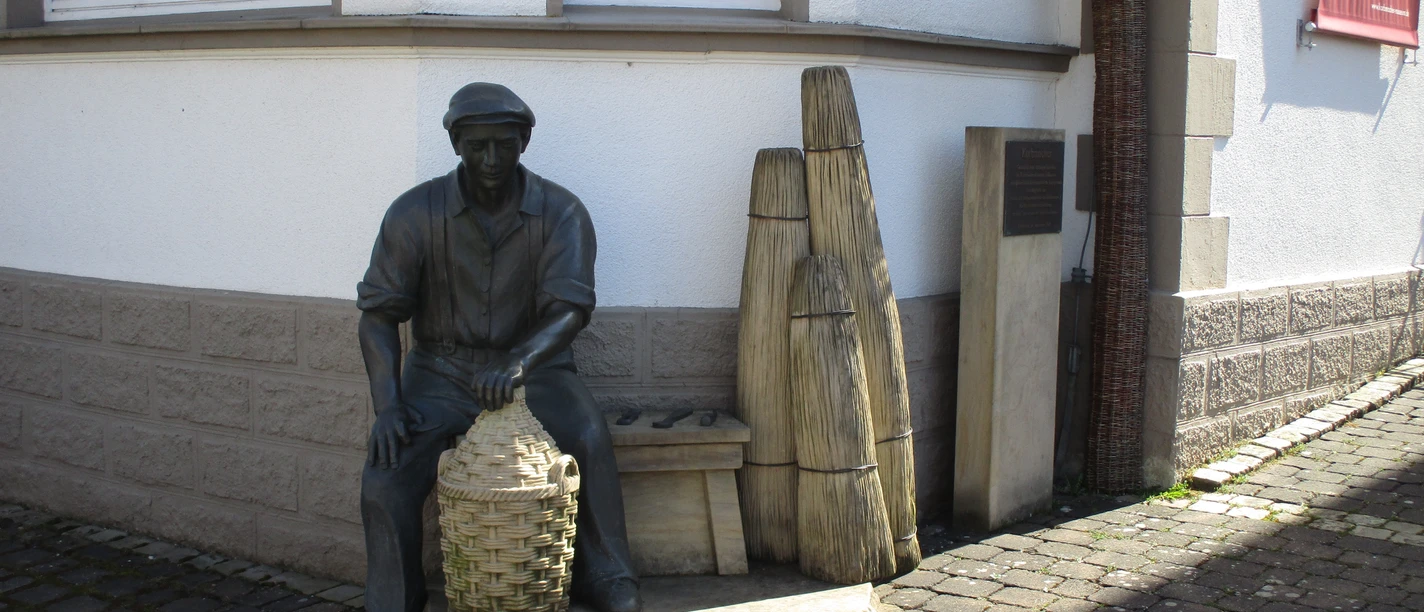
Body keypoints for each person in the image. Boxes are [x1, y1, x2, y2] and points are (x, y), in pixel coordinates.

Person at [355, 82, 641, 612]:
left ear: (523, 143)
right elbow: (377, 317)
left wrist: (518, 360)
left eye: (504, 146)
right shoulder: (413, 213)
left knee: (586, 436)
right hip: (438, 375)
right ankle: (394, 596)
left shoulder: (561, 212)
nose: (491, 159)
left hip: (538, 373)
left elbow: (570, 308)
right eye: (478, 145)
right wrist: (388, 406)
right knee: (386, 473)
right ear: (456, 144)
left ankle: (606, 572)